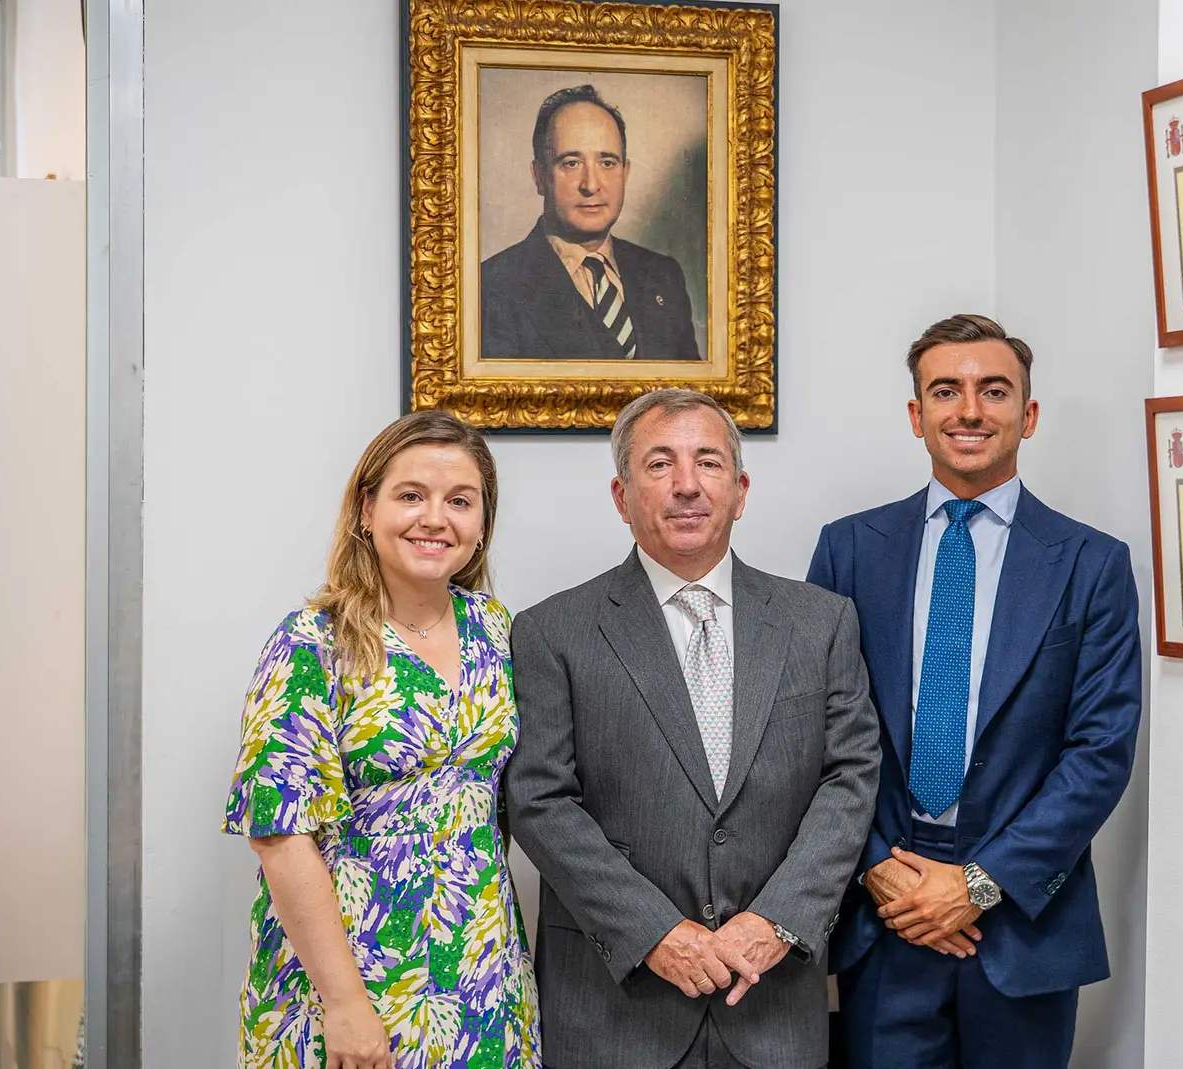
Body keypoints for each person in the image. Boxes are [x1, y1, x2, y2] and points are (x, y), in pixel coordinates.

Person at [505, 388, 881, 1069]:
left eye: (707, 463)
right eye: (659, 464)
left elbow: (850, 777)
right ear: (621, 495)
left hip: (770, 997)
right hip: (616, 1008)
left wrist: (778, 921)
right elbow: (539, 800)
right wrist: (655, 932)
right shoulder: (551, 631)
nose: (685, 485)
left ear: (740, 491)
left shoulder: (819, 622)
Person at [808, 314, 1143, 1068]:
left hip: (1025, 914)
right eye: (945, 391)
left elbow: (1099, 754)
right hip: (885, 905)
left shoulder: (1092, 563)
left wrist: (982, 882)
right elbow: (815, 733)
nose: (968, 410)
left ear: (1027, 415)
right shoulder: (850, 549)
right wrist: (874, 866)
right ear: (916, 415)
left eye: (993, 391)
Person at [222, 411, 540, 1069]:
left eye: (459, 501)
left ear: (482, 523)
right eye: (410, 495)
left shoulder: (495, 630)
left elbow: (502, 802)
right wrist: (344, 1002)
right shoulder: (313, 643)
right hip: (349, 971)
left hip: (480, 965)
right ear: (366, 508)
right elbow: (280, 837)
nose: (435, 517)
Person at [480, 84, 702, 361]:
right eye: (571, 163)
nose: (591, 185)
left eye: (607, 163)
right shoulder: (491, 286)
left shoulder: (663, 276)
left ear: (625, 172)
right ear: (539, 176)